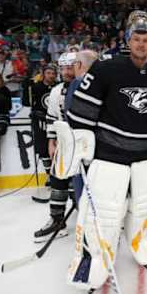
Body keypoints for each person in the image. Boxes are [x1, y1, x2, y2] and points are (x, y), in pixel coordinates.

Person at [65, 11, 147, 291]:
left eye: (146, 39)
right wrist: (82, 147)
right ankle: (93, 259)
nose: (141, 44)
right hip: (110, 155)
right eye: (136, 38)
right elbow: (80, 111)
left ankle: (144, 243)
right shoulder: (106, 67)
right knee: (105, 213)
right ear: (128, 39)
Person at [33, 53, 76, 242]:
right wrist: (51, 141)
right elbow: (52, 118)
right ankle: (57, 220)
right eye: (64, 68)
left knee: (81, 182)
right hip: (63, 144)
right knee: (58, 180)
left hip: (85, 144)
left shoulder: (89, 86)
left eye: (70, 67)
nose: (67, 72)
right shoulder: (56, 91)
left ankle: (89, 220)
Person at [64, 49, 99, 203]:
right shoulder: (103, 82)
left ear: (79, 64)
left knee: (83, 185)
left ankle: (84, 219)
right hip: (102, 144)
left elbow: (70, 114)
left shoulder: (77, 83)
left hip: (81, 144)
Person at [28, 65, 58, 190]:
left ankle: (58, 174)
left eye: (53, 73)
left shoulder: (59, 87)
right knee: (43, 148)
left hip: (56, 122)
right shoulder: (35, 87)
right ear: (43, 74)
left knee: (58, 148)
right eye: (48, 73)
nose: (51, 75)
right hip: (40, 122)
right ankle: (50, 175)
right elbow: (27, 102)